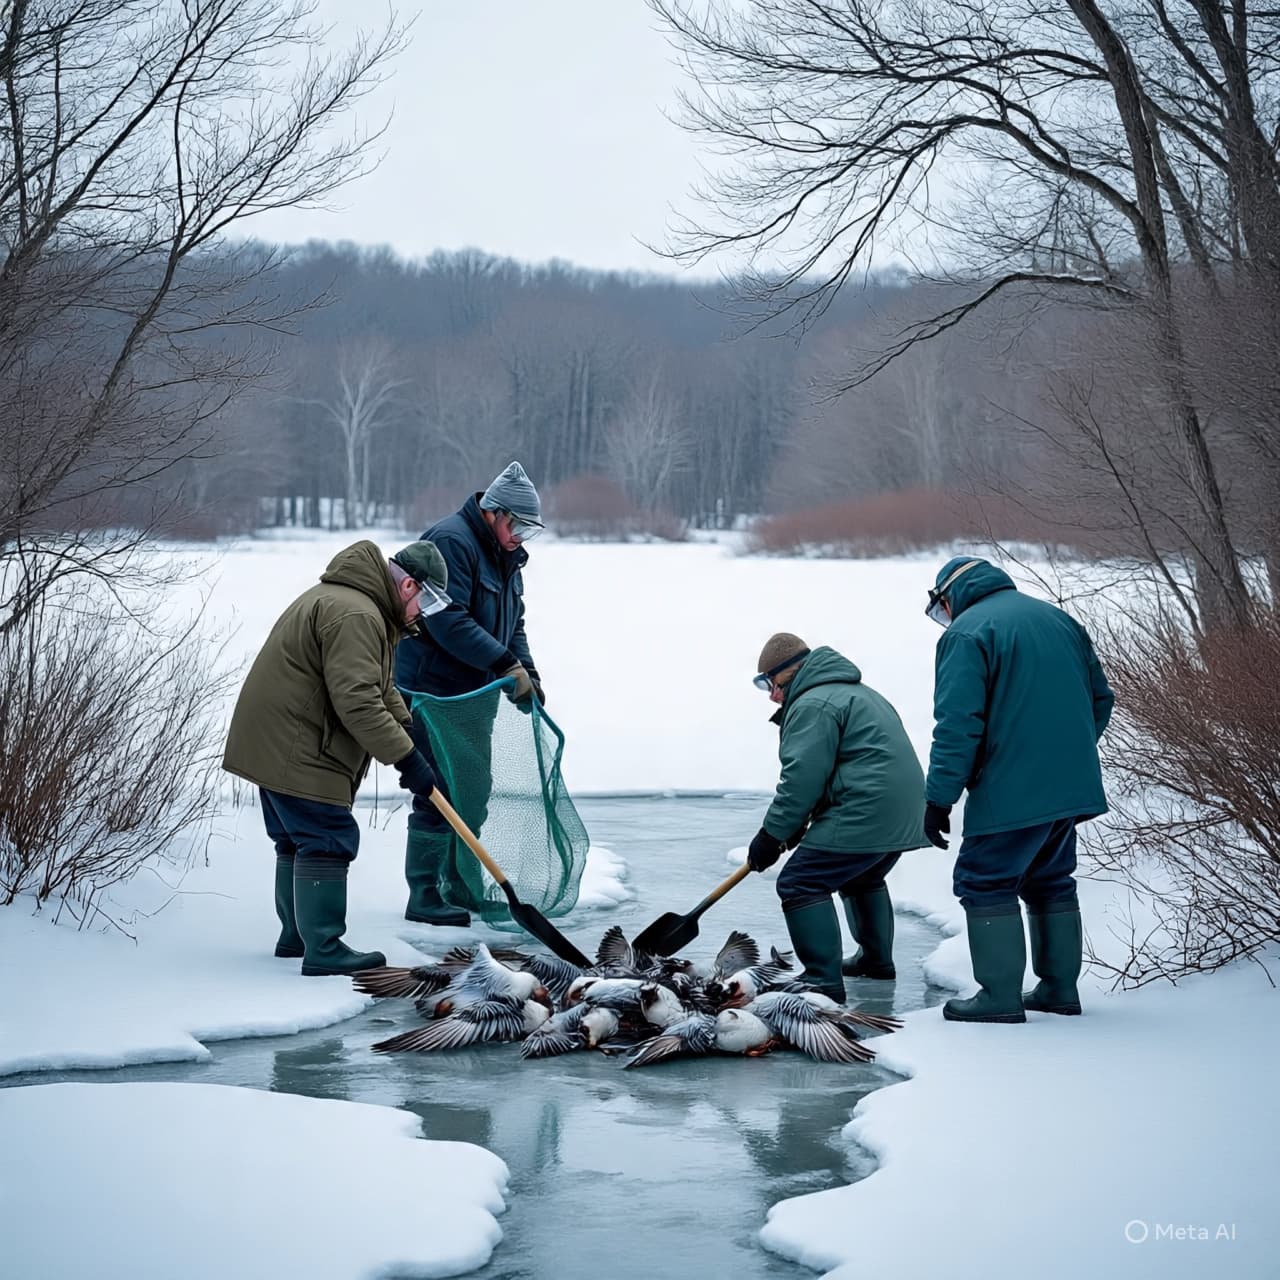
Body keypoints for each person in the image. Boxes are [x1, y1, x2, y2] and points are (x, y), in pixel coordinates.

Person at [222, 539, 448, 975]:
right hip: (298, 743)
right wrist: (406, 760)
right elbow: (358, 702)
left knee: (296, 838)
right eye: (427, 601)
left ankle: (296, 937)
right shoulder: (357, 615)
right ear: (408, 588)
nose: (423, 614)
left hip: (273, 741)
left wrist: (410, 734)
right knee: (326, 837)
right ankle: (323, 947)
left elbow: (379, 687)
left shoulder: (354, 603)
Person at [923, 556, 1114, 1023]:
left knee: (984, 880)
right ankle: (1058, 990)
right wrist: (1067, 755)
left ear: (950, 596)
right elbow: (1101, 699)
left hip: (1010, 789)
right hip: (1069, 788)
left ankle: (999, 997)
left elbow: (957, 726)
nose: (944, 617)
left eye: (941, 607)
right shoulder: (1059, 620)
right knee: (1049, 879)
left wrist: (939, 798)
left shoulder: (967, 634)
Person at [394, 461, 546, 926]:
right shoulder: (452, 541)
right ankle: (425, 894)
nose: (521, 536)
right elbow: (446, 619)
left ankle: (460, 885)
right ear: (493, 513)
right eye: (517, 525)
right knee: (438, 790)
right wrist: (503, 663)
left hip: (473, 693)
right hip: (430, 691)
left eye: (530, 530)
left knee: (473, 789)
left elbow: (512, 623)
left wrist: (527, 672)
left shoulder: (507, 557)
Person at [744, 633, 927, 1003]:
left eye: (770, 683)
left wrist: (771, 834)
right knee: (862, 874)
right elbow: (836, 771)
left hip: (866, 809)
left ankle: (821, 981)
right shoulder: (860, 693)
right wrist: (792, 829)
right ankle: (876, 961)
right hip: (905, 810)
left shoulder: (814, 704)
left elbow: (801, 781)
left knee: (800, 882)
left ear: (788, 673)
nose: (771, 695)